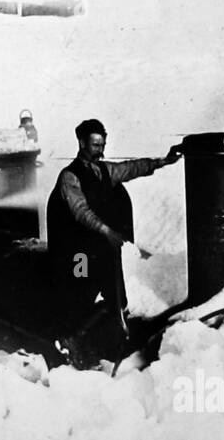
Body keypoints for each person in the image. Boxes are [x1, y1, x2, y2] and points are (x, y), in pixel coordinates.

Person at [45, 118, 180, 358]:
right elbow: (81, 211)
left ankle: (98, 345)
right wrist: (108, 231)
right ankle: (70, 342)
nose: (101, 150)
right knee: (81, 297)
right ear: (81, 143)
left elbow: (132, 168)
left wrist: (163, 161)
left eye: (103, 145)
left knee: (116, 299)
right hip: (77, 253)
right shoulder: (69, 177)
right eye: (96, 145)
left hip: (99, 249)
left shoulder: (105, 170)